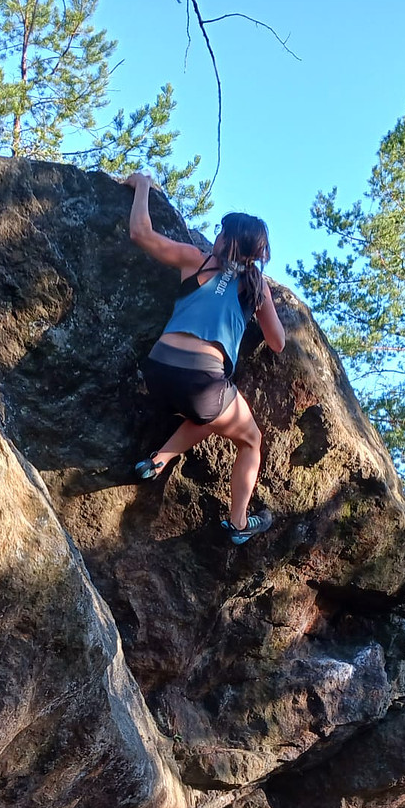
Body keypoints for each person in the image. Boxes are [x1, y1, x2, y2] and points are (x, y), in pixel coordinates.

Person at [124, 171, 286, 544]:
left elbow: (140, 233)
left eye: (221, 232)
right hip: (203, 383)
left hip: (158, 371)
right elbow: (277, 342)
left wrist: (143, 186)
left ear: (228, 239)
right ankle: (239, 524)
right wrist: (258, 303)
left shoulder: (194, 260)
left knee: (213, 411)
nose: (216, 236)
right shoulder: (255, 286)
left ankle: (157, 461)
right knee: (250, 439)